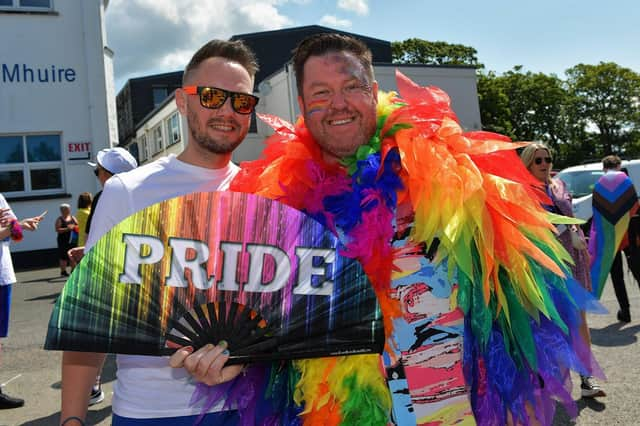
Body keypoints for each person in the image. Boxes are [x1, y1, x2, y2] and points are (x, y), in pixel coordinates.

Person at [230, 33, 601, 425]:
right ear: (303, 106)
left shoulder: (452, 179)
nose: (338, 104)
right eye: (321, 93)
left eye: (352, 87)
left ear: (373, 91)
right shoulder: (284, 212)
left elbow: (520, 312)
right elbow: (262, 336)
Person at [60, 39, 259, 426]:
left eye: (242, 100)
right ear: (182, 102)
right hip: (154, 412)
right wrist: (72, 419)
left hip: (252, 406)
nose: (228, 110)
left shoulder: (265, 192)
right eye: (212, 96)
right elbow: (92, 321)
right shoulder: (129, 192)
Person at [520, 143, 606, 398]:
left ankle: (586, 378)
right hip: (544, 265)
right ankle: (546, 377)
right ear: (528, 164)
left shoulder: (559, 185)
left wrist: (575, 232)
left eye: (547, 158)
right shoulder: (522, 191)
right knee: (547, 323)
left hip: (572, 259)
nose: (545, 163)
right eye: (538, 160)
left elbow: (571, 213)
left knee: (579, 322)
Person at [67, 148, 138, 408]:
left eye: (97, 171)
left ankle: (94, 387)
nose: (96, 176)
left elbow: (104, 239)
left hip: (110, 274)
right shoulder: (146, 191)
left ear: (108, 174)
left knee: (95, 332)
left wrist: (86, 256)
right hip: (137, 273)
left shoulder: (107, 195)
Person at [0, 194, 43, 409]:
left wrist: (22, 225)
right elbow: (7, 229)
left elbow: (12, 228)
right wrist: (9, 229)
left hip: (2, 274)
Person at [590, 155, 639, 322]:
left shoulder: (598, 186)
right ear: (619, 166)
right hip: (629, 237)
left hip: (610, 240)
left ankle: (625, 312)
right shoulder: (627, 182)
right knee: (638, 272)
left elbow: (596, 216)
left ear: (603, 168)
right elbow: (634, 208)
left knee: (617, 277)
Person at [54, 204, 77, 277]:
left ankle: (73, 270)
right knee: (63, 256)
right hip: (63, 240)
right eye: (66, 209)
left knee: (72, 255)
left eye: (69, 209)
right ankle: (63, 271)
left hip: (72, 240)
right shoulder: (59, 219)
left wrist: (74, 227)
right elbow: (57, 229)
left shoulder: (72, 217)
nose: (68, 210)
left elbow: (77, 225)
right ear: (62, 211)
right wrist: (67, 229)